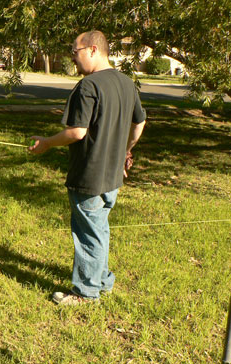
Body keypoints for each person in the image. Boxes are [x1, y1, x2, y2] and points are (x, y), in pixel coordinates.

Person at [29, 31, 146, 305]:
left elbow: (77, 132)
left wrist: (46, 143)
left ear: (93, 49)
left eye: (75, 50)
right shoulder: (128, 83)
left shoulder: (88, 86)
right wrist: (127, 150)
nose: (72, 56)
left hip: (90, 176)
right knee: (99, 229)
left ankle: (85, 292)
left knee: (88, 234)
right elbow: (139, 123)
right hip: (113, 177)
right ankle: (102, 280)